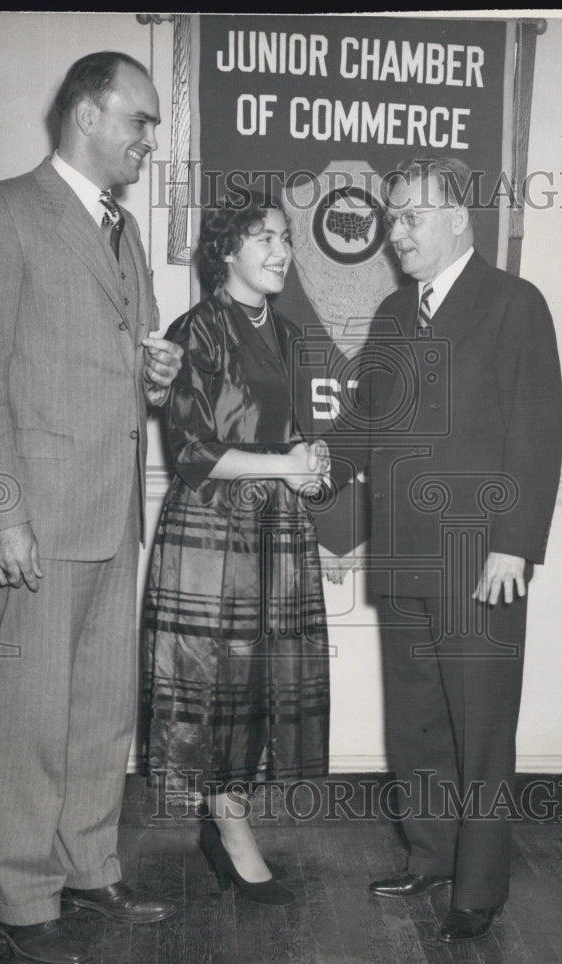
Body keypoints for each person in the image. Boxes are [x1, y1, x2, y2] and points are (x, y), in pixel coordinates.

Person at [0, 51, 184, 964]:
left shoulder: (121, 230)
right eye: (141, 120)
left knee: (99, 712)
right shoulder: (0, 214)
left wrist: (153, 375)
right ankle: (24, 897)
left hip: (113, 512)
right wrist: (1, 513)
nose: (149, 141)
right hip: (38, 518)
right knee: (32, 714)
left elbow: (130, 363)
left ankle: (90, 866)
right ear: (89, 114)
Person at [321, 157, 562, 942]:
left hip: (479, 559)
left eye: (411, 217)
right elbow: (362, 423)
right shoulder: (393, 315)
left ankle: (479, 885)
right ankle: (430, 855)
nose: (396, 234)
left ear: (459, 217)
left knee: (482, 728)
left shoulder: (514, 304)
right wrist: (306, 464)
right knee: (418, 723)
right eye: (391, 219)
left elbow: (537, 432)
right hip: (403, 555)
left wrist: (513, 548)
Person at [141, 192, 331, 905]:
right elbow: (191, 451)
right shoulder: (196, 328)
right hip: (212, 531)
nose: (282, 251)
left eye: (285, 239)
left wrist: (309, 465)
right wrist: (285, 465)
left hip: (271, 529)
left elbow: (283, 436)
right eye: (265, 239)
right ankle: (230, 831)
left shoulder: (282, 331)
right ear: (227, 252)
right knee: (215, 686)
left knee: (256, 686)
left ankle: (227, 819)